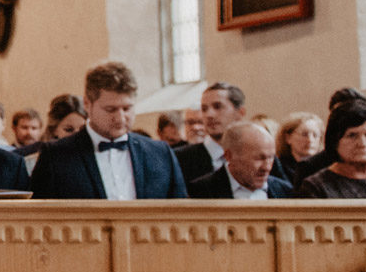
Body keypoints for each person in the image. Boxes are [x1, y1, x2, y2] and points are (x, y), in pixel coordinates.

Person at [29, 62, 187, 200]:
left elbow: (181, 213)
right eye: (110, 109)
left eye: (127, 108)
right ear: (87, 104)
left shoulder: (160, 153)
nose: (120, 118)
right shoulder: (55, 156)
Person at [187, 122, 293, 199]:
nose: (267, 167)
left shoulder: (284, 191)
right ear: (228, 156)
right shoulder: (200, 192)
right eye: (259, 158)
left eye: (271, 157)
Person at [176, 83, 248, 183]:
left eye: (218, 107)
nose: (209, 115)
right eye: (204, 109)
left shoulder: (259, 154)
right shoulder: (180, 159)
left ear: (240, 113)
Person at [275, 112, 323, 185]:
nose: (310, 140)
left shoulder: (324, 169)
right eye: (304, 134)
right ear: (288, 138)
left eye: (315, 135)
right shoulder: (278, 168)